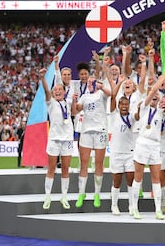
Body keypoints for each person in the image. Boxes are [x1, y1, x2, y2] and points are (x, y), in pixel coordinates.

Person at [131, 64, 165, 220]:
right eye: (152, 94)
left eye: (156, 96)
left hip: (156, 145)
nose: (155, 96)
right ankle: (134, 207)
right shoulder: (143, 106)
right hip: (142, 143)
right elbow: (154, 89)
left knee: (156, 178)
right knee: (138, 176)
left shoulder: (160, 111)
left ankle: (158, 209)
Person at [39, 68, 77, 210]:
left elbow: (73, 113)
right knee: (51, 169)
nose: (57, 91)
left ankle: (64, 196)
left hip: (67, 140)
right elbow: (47, 92)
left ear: (64, 91)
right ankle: (47, 196)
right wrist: (43, 79)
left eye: (60, 89)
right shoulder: (51, 103)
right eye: (55, 90)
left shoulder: (67, 101)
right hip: (54, 140)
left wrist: (73, 101)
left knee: (65, 170)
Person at [75, 63, 111, 209]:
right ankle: (81, 193)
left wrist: (101, 86)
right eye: (89, 82)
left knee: (99, 164)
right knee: (84, 163)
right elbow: (76, 109)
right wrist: (73, 101)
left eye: (93, 81)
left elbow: (111, 93)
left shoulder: (102, 94)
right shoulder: (84, 96)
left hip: (100, 131)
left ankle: (97, 193)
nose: (90, 83)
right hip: (86, 132)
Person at [108, 73, 138, 216]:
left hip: (130, 153)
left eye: (126, 104)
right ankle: (114, 205)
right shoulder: (114, 114)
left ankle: (132, 206)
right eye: (122, 104)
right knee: (117, 181)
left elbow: (138, 116)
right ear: (119, 105)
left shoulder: (132, 116)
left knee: (131, 180)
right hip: (116, 153)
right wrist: (119, 82)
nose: (124, 106)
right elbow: (113, 96)